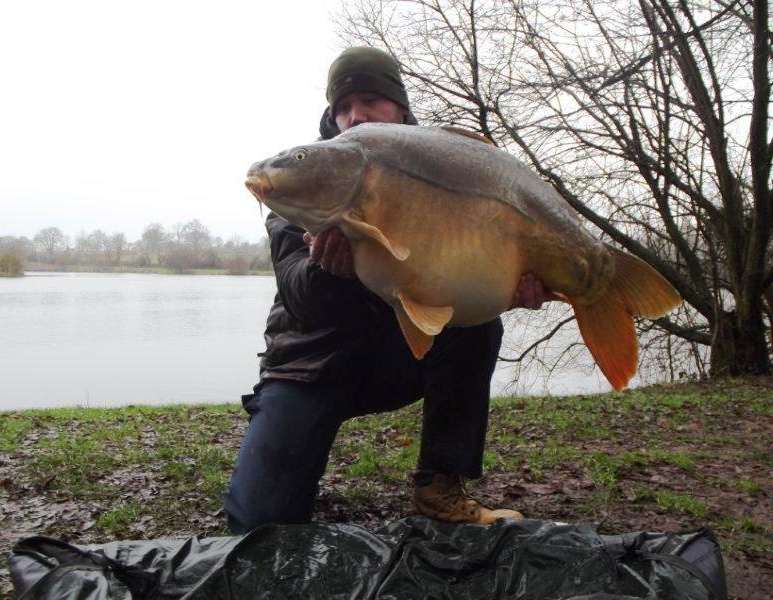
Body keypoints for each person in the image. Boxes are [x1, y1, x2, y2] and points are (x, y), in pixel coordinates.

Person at [223, 47, 553, 534]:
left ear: (399, 108)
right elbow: (297, 295)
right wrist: (332, 270)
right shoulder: (309, 181)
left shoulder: (439, 171)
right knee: (258, 524)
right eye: (343, 105)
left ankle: (439, 488)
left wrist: (512, 284)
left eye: (371, 100)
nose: (354, 114)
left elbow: (466, 274)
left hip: (396, 361)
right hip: (309, 368)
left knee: (478, 326)